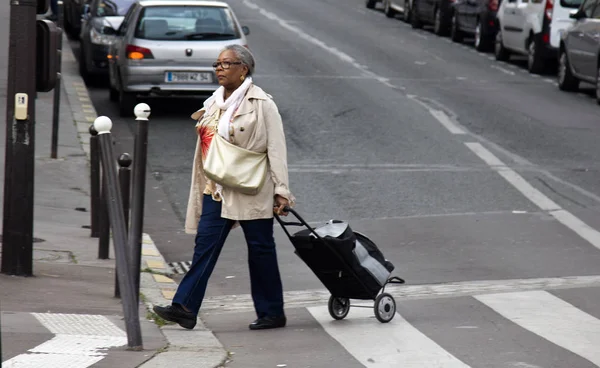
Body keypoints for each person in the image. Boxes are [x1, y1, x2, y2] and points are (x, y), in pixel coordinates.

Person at [153, 44, 295, 331]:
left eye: (226, 64)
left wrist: (281, 190)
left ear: (243, 69)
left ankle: (272, 312)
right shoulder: (213, 103)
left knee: (260, 250)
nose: (219, 68)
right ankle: (185, 308)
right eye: (217, 64)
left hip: (252, 188)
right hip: (217, 189)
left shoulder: (262, 104)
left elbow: (276, 149)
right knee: (204, 247)